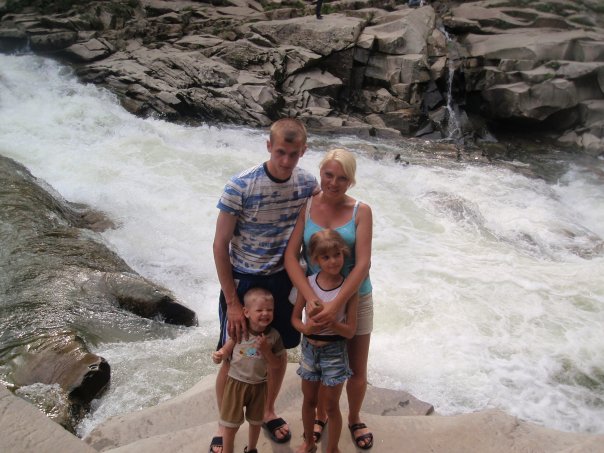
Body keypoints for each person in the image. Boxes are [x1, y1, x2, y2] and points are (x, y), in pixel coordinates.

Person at [211, 118, 319, 453]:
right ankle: (225, 422)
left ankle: (268, 410)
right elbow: (220, 245)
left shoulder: (307, 184)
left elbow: (323, 220)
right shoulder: (240, 186)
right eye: (281, 152)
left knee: (278, 350)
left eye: (293, 154)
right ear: (269, 146)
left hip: (283, 278)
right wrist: (232, 302)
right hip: (244, 279)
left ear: (303, 151)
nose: (286, 160)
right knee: (232, 353)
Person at [284, 148, 374, 450]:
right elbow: (291, 257)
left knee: (357, 367)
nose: (334, 183)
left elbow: (363, 263)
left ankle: (354, 418)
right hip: (316, 295)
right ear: (320, 173)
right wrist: (311, 298)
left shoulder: (361, 211)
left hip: (355, 295)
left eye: (342, 178)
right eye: (328, 175)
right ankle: (321, 415)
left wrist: (337, 305)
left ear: (351, 180)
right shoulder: (308, 206)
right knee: (321, 359)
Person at [291, 229, 358, 453]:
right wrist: (306, 328)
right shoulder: (308, 284)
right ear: (315, 260)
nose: (333, 261)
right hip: (309, 350)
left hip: (335, 352)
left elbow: (350, 331)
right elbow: (295, 319)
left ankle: (332, 448)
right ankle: (308, 442)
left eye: (337, 255)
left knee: (331, 406)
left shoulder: (349, 289)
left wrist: (333, 323)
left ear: (344, 253)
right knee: (309, 401)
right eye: (326, 257)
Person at [212, 288, 284, 453]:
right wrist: (219, 355)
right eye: (259, 310)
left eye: (269, 310)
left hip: (259, 386)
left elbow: (276, 365)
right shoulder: (240, 330)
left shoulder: (274, 336)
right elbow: (226, 350)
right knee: (230, 425)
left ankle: (251, 449)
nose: (265, 313)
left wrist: (266, 350)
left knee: (256, 423)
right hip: (235, 385)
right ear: (246, 312)